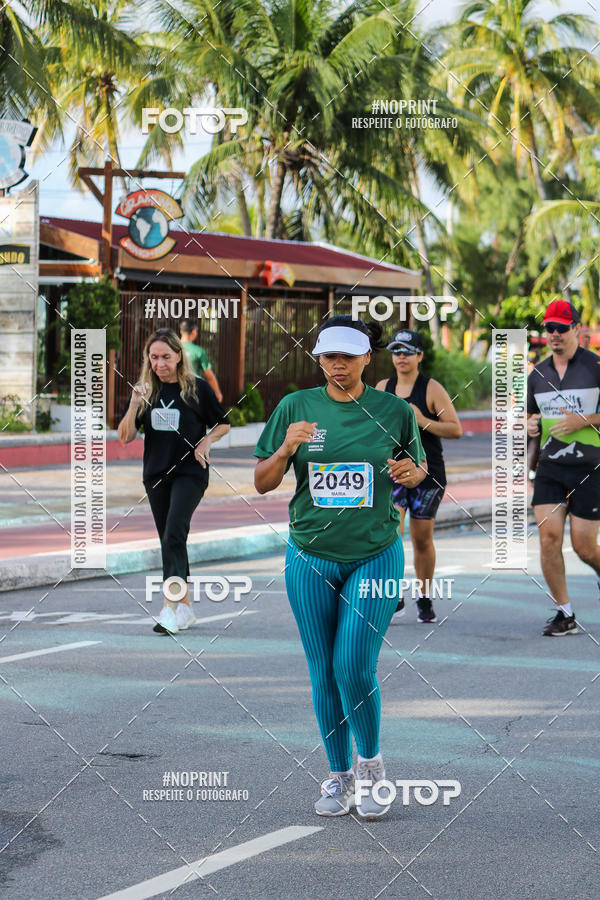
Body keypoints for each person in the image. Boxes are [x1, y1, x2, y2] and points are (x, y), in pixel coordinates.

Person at [254, 315, 426, 819]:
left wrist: (408, 473)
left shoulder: (394, 411)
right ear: (320, 359)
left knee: (353, 665)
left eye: (349, 357)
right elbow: (263, 482)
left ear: (367, 359)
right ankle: (339, 776)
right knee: (323, 671)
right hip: (309, 556)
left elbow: (419, 472)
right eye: (330, 357)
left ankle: (371, 768)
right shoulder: (295, 407)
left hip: (374, 554)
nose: (338, 366)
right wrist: (287, 447)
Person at [118, 328, 230, 634]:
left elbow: (223, 423)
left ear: (179, 356)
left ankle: (168, 609)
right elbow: (126, 436)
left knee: (173, 534)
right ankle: (187, 609)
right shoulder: (148, 392)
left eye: (166, 356)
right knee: (171, 538)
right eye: (153, 358)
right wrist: (133, 403)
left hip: (190, 473)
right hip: (155, 474)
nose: (159, 363)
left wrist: (206, 441)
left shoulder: (196, 389)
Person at [375, 330, 461, 624]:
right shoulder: (382, 388)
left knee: (421, 539)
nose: (401, 357)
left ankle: (424, 596)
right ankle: (393, 593)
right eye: (396, 351)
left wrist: (422, 421)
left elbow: (455, 429)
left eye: (407, 352)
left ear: (419, 356)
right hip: (392, 471)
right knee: (390, 533)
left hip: (428, 473)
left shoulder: (431, 389)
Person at [527, 300, 600, 636]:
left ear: (576, 329)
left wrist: (584, 420)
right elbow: (531, 418)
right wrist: (529, 426)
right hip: (550, 467)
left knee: (585, 547)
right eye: (549, 328)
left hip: (590, 466)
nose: (555, 334)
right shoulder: (537, 374)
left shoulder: (595, 366)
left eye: (561, 327)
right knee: (548, 538)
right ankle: (564, 612)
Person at [179, 319, 223, 402]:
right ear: (194, 332)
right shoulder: (198, 351)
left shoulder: (172, 348)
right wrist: (218, 393)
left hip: (174, 388)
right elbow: (209, 376)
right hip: (192, 392)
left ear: (181, 331)